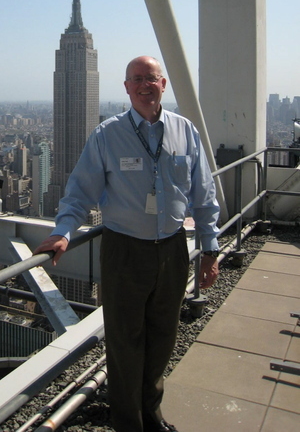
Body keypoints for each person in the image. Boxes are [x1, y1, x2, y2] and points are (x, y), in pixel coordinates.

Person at [34, 56, 220, 432]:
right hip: (124, 250)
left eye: (150, 78)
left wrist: (210, 248)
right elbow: (79, 192)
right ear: (126, 88)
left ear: (163, 84)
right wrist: (63, 231)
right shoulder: (107, 134)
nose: (143, 85)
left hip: (172, 249)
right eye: (136, 79)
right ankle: (128, 424)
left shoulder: (186, 132)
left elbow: (204, 195)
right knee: (124, 342)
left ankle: (152, 415)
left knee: (164, 336)